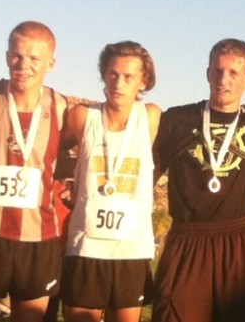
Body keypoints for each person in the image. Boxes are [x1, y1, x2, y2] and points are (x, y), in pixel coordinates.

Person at [0, 21, 69, 322]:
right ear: (7, 56)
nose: (24, 65)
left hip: (37, 240)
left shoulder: (62, 108)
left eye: (34, 59)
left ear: (51, 63)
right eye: (17, 56)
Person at [151, 38, 245, 322]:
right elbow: (145, 174)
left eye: (233, 73)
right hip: (187, 240)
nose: (223, 80)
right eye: (217, 70)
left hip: (236, 244)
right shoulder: (177, 119)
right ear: (207, 73)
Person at [59, 41, 162, 322]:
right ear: (103, 74)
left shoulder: (151, 116)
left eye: (129, 77)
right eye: (113, 73)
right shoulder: (83, 117)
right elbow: (54, 153)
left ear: (144, 81)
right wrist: (67, 180)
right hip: (86, 246)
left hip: (131, 249)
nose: (118, 83)